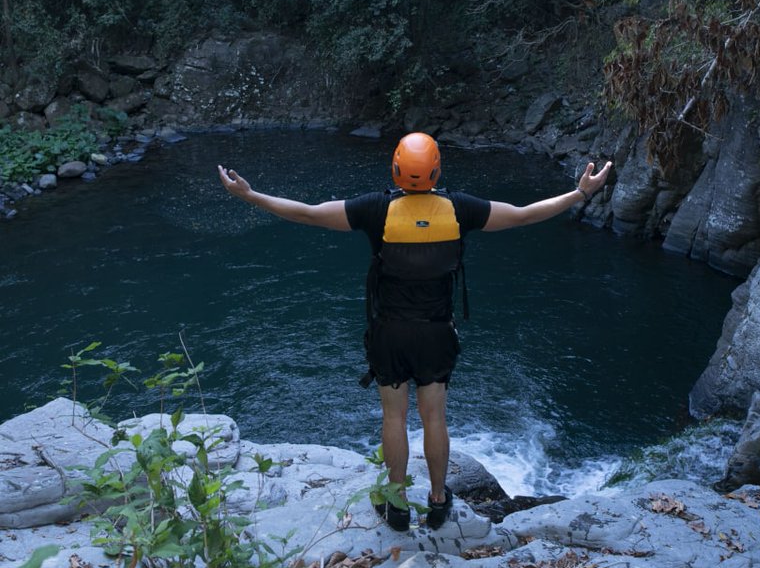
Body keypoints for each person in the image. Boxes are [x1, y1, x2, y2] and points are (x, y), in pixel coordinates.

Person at [218, 133, 612, 532]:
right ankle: (438, 500)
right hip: (436, 333)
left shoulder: (376, 209)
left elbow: (308, 213)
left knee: (394, 416)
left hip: (389, 333)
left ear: (396, 169)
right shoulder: (460, 208)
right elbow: (525, 214)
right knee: (434, 417)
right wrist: (580, 193)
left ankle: (397, 504)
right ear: (436, 170)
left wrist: (251, 196)